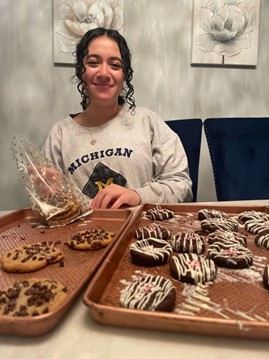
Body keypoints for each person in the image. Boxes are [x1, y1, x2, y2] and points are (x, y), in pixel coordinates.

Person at [43, 27, 193, 209]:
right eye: (93, 63)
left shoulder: (148, 122)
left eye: (115, 65)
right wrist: (44, 192)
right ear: (81, 72)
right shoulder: (60, 135)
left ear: (124, 75)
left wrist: (138, 196)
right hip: (82, 235)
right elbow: (48, 207)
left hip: (141, 234)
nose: (104, 73)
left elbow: (181, 186)